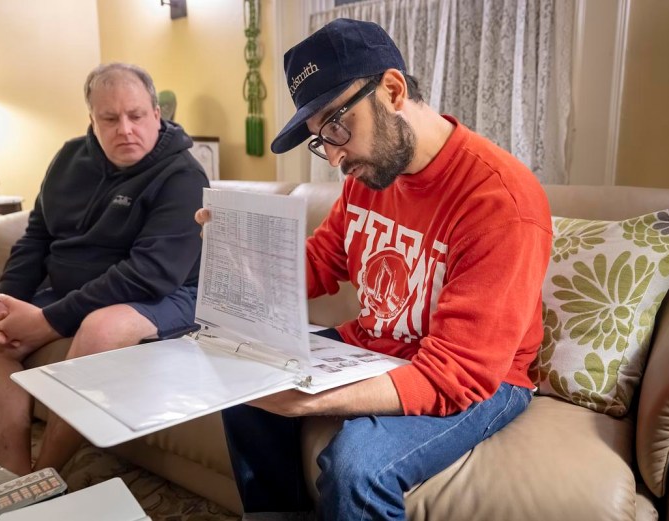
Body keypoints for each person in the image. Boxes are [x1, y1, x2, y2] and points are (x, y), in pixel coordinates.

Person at [196, 19, 553, 520]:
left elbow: (458, 374)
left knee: (357, 465)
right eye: (321, 140)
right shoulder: (371, 177)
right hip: (379, 347)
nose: (335, 156)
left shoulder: (499, 200)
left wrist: (314, 401)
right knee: (245, 385)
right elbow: (320, 264)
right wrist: (237, 251)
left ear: (392, 89)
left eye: (338, 126)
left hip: (485, 378)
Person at [0, 62, 208, 476]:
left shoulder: (182, 175)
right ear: (91, 120)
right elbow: (37, 236)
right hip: (73, 290)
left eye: (136, 115)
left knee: (101, 328)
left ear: (156, 115)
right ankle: (13, 478)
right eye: (109, 119)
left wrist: (47, 321)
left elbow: (149, 274)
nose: (125, 129)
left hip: (168, 294)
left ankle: (46, 475)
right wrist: (7, 301)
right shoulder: (69, 158)